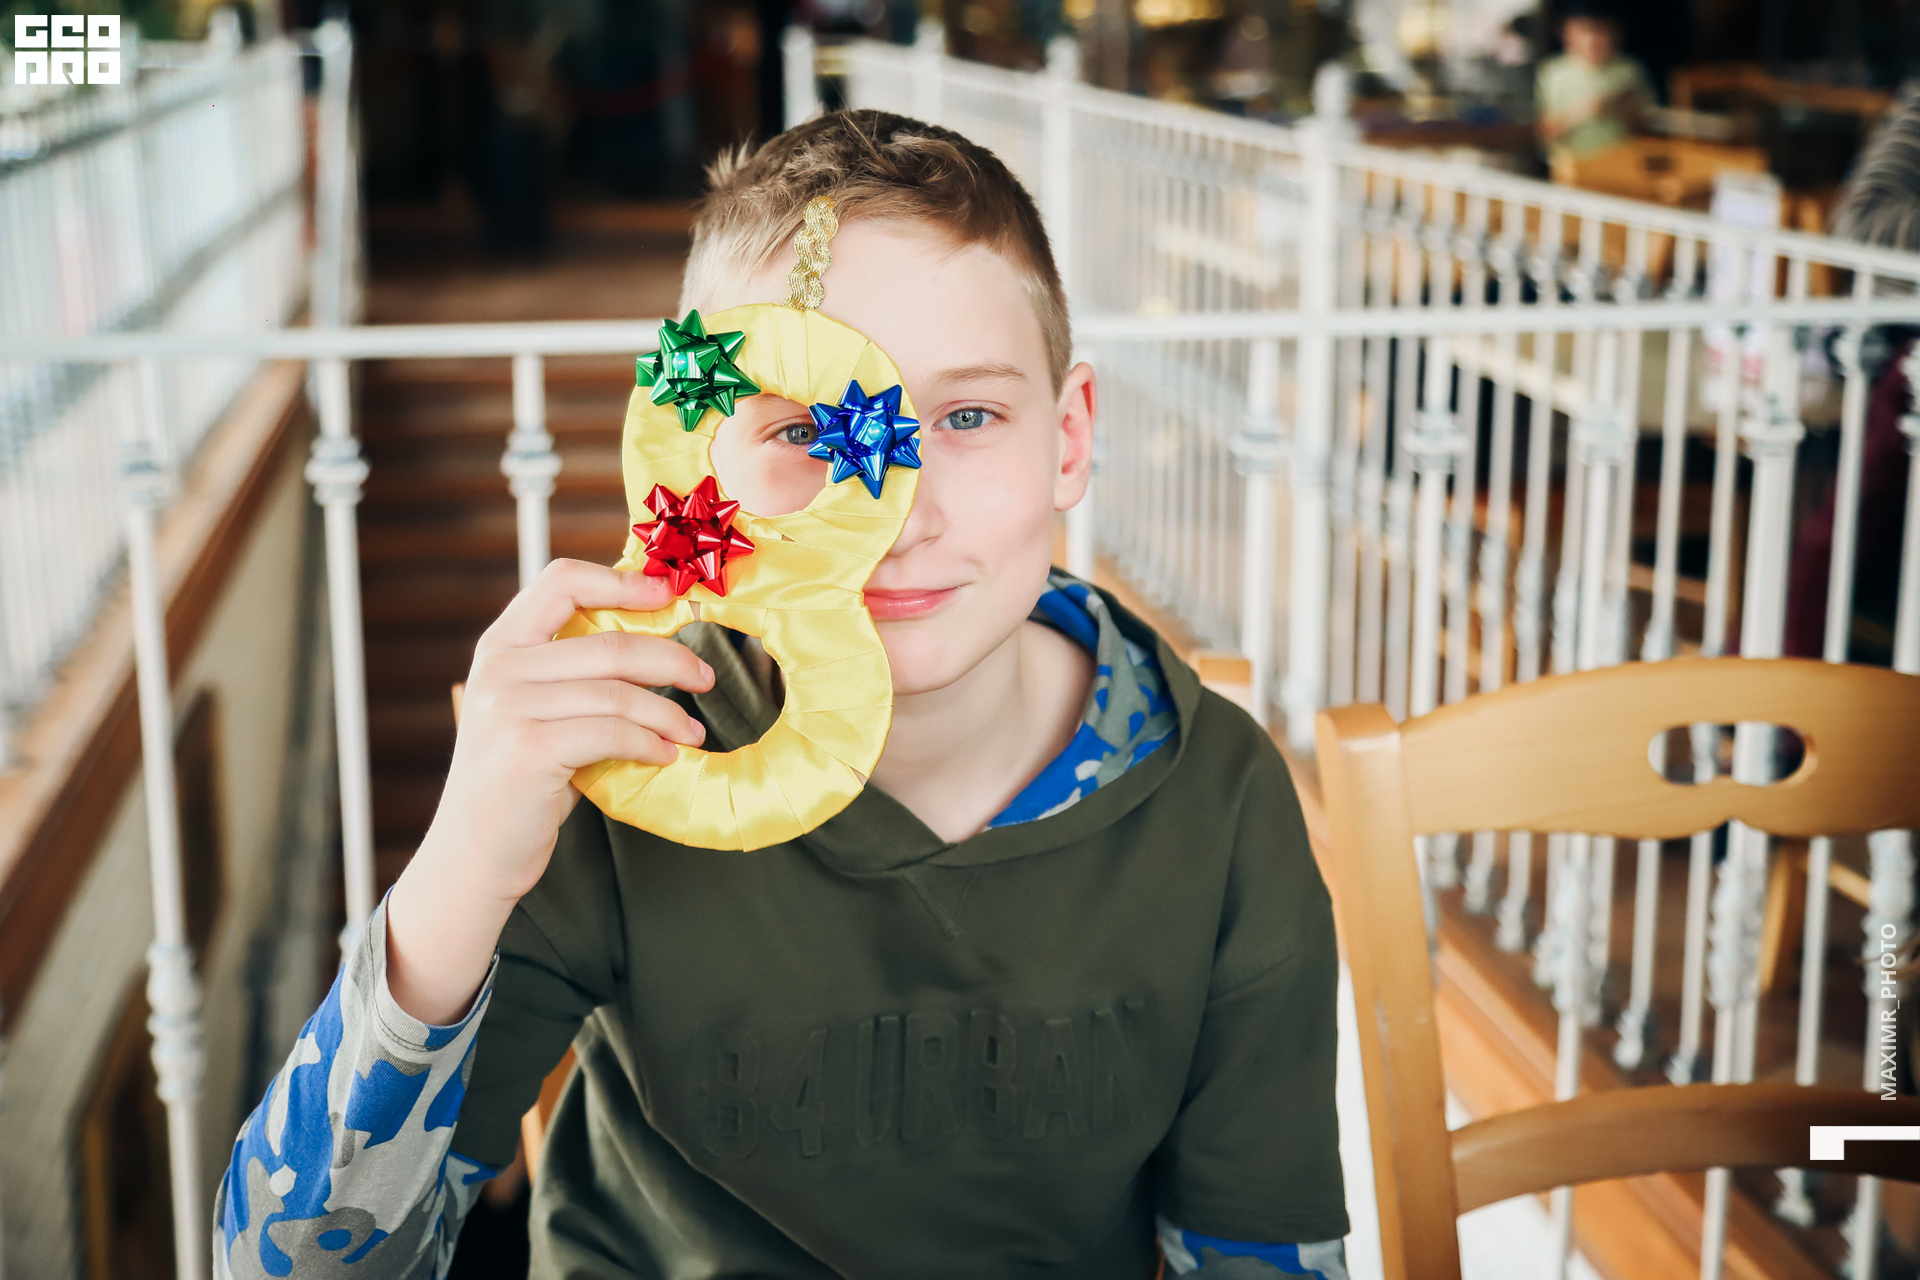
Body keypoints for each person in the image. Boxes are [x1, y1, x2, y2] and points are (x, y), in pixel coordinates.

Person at [214, 110, 1349, 1280]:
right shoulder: (625, 755)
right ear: (704, 458)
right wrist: (458, 871)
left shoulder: (1220, 803)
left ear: (1067, 439)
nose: (898, 516)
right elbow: (283, 1266)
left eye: (965, 417)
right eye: (808, 429)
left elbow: (1260, 1254)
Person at [1534, 1, 1653, 161]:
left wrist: (1626, 110)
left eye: (1601, 31)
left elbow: (1649, 130)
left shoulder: (1630, 70)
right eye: (1584, 31)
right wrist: (1587, 111)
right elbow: (1543, 134)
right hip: (1571, 164)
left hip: (1621, 163)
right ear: (1566, 32)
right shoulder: (1553, 72)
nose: (1592, 39)